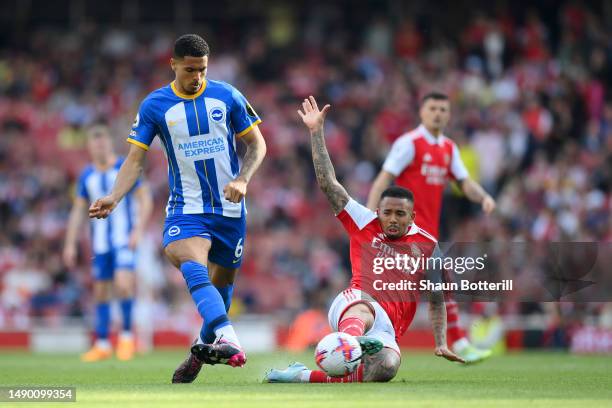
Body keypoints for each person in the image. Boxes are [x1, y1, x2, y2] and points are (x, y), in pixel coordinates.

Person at [88, 34, 266, 383]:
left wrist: (243, 178)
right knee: (187, 256)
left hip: (230, 210)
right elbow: (135, 161)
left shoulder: (227, 95)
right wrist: (114, 195)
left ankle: (201, 349)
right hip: (187, 208)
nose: (196, 76)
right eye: (189, 69)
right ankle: (229, 338)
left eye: (202, 69)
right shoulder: (155, 105)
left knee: (222, 284)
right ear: (173, 65)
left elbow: (257, 145)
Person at [265, 96, 464, 384]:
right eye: (387, 213)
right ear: (378, 211)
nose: (392, 219)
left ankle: (304, 376)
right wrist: (316, 133)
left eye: (400, 214)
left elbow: (436, 300)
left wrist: (441, 341)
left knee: (386, 367)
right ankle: (351, 343)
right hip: (356, 303)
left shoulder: (429, 247)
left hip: (387, 329)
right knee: (365, 308)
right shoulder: (364, 222)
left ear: (412, 216)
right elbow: (328, 184)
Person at [366, 92, 496, 363]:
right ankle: (457, 341)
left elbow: (464, 182)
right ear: (422, 113)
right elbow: (383, 180)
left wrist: (483, 196)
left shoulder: (448, 148)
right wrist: (369, 218)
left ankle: (374, 339)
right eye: (433, 108)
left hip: (427, 235)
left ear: (448, 115)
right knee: (422, 286)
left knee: (429, 287)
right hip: (404, 233)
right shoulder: (408, 144)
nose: (438, 113)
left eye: (443, 109)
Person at [64, 124, 153, 362]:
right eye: (95, 143)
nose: (100, 147)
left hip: (124, 239)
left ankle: (126, 339)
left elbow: (145, 200)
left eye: (103, 142)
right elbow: (78, 210)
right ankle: (102, 344)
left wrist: (138, 231)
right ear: (90, 147)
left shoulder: (124, 168)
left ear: (109, 144)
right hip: (100, 244)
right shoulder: (86, 175)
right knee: (101, 292)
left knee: (124, 285)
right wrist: (70, 243)